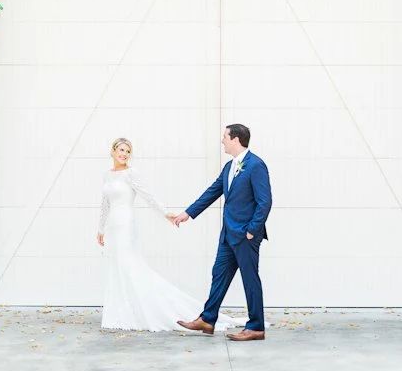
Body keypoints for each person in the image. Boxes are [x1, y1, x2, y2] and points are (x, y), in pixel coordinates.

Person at [97, 137, 237, 332]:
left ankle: (144, 310)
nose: (124, 154)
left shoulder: (131, 173)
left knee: (129, 264)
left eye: (128, 151)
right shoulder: (107, 175)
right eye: (121, 150)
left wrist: (165, 213)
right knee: (117, 265)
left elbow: (147, 195)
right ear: (113, 151)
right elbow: (105, 203)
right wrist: (101, 229)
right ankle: (121, 310)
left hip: (126, 223)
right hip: (113, 224)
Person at [173, 124, 272, 341]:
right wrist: (188, 213)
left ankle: (256, 327)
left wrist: (252, 230)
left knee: (250, 280)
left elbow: (264, 202)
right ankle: (207, 319)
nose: (222, 141)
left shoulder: (256, 165)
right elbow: (212, 192)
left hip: (245, 235)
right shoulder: (229, 166)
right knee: (219, 274)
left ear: (235, 139)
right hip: (228, 234)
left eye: (225, 137)